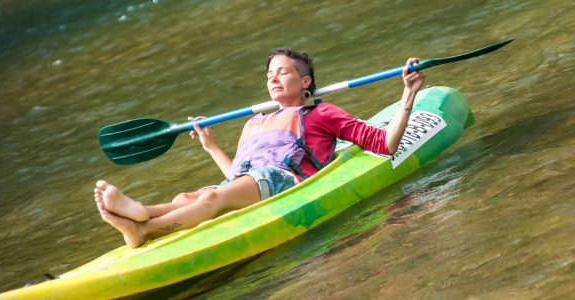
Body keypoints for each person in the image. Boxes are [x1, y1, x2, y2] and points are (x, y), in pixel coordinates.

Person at [93, 49, 425, 248]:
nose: (273, 79)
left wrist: (408, 94)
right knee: (186, 197)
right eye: (269, 75)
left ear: (305, 82)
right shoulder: (254, 123)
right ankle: (142, 212)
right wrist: (210, 145)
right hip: (253, 181)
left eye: (283, 72)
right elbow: (237, 178)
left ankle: (145, 229)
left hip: (284, 180)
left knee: (210, 199)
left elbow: (384, 144)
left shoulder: (321, 113)